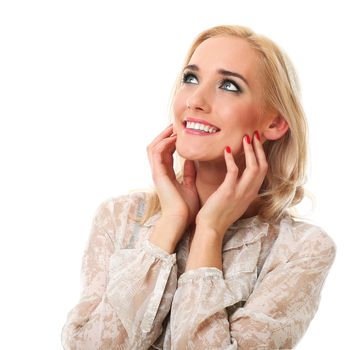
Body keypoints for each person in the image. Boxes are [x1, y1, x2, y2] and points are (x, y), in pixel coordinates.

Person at [61, 24, 336, 349]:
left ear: (274, 123)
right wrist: (171, 221)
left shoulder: (302, 250)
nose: (195, 100)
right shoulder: (119, 216)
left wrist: (209, 230)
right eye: (190, 78)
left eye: (229, 85)